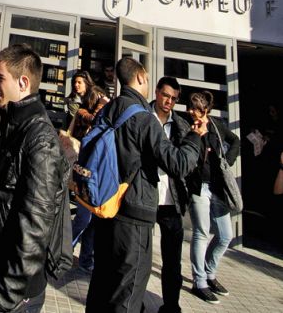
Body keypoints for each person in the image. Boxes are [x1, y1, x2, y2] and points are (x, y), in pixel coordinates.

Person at [85, 57, 206, 313]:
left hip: (107, 209)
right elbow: (178, 164)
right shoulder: (144, 118)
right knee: (127, 295)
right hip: (134, 219)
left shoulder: (108, 109)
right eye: (148, 78)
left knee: (101, 285)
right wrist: (195, 137)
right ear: (140, 77)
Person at [0, 44, 66, 313]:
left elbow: (35, 227)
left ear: (23, 83)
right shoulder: (12, 124)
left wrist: (5, 298)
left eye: (0, 78)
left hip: (11, 296)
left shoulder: (40, 140)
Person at [186, 90, 240, 305]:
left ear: (205, 110)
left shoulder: (217, 125)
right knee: (201, 233)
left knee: (225, 235)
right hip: (198, 188)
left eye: (196, 109)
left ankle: (209, 273)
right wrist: (193, 135)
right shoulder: (188, 127)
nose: (192, 112)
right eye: (191, 108)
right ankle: (199, 282)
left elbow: (235, 141)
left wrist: (228, 160)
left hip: (217, 188)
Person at [150, 77, 191, 313]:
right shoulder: (143, 117)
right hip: (145, 196)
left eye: (174, 98)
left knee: (172, 260)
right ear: (157, 92)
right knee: (140, 256)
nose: (169, 101)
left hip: (171, 199)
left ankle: (171, 306)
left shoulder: (180, 125)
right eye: (166, 95)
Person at [68, 70, 109, 274]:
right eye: (74, 82)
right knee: (87, 216)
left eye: (79, 82)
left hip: (95, 166)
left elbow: (94, 119)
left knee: (87, 217)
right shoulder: (82, 100)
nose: (76, 86)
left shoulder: (97, 97)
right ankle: (77, 257)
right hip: (88, 165)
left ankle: (73, 255)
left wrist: (80, 113)